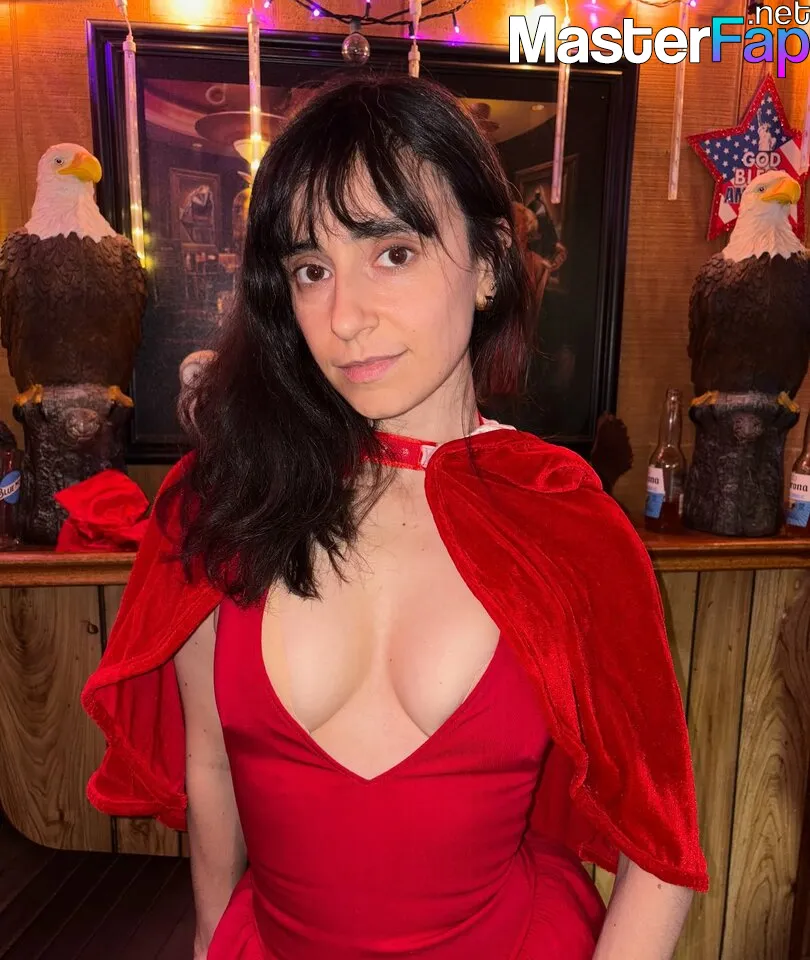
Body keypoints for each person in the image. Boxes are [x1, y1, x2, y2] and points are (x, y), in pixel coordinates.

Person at [81, 74, 708, 960]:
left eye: (393, 252)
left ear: (488, 262)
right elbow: (211, 764)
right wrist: (212, 939)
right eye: (311, 270)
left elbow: (661, 845)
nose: (344, 318)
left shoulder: (562, 519)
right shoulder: (221, 500)